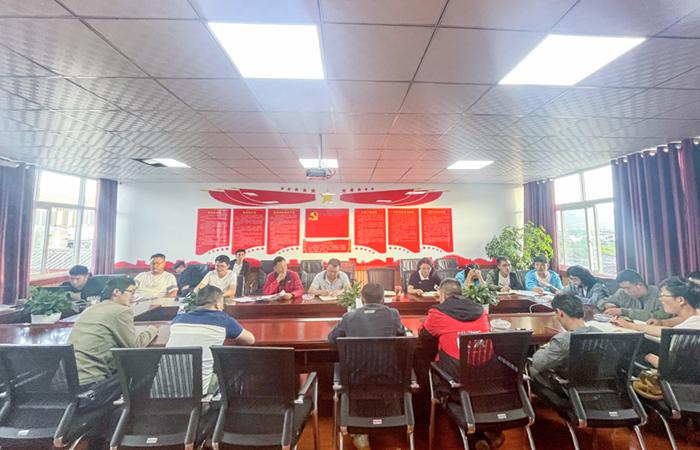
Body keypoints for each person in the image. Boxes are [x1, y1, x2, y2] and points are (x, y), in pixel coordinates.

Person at [328, 283, 407, 450]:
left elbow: (332, 339)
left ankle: (360, 434)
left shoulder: (349, 317)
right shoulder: (393, 314)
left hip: (355, 381)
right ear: (383, 299)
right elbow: (402, 334)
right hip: (389, 380)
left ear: (362, 299)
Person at [419, 278, 494, 450]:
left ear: (443, 295)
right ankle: (484, 432)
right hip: (483, 376)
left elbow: (424, 335)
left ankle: (426, 410)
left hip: (454, 378)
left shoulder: (438, 312)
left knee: (424, 360)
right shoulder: (480, 310)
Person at [68, 277, 159, 389]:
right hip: (93, 383)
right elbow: (135, 346)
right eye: (131, 292)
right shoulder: (121, 310)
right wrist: (152, 329)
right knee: (147, 367)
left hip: (72, 380)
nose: (133, 296)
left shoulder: (90, 309)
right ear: (116, 292)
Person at [167, 285, 255, 394]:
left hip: (162, 393)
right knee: (232, 369)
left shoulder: (178, 319)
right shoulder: (223, 320)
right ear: (217, 304)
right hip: (197, 396)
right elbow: (250, 340)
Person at [529, 292, 602, 407]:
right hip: (600, 392)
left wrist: (545, 347)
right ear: (582, 313)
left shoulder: (563, 340)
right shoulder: (600, 334)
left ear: (560, 313)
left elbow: (537, 362)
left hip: (569, 394)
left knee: (532, 369)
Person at [611, 276, 700, 367]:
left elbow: (670, 368)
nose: (660, 299)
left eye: (663, 295)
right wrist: (630, 325)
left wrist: (648, 357)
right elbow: (667, 331)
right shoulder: (693, 319)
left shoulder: (683, 332)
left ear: (680, 300)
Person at [597, 269, 669, 321]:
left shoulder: (660, 293)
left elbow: (662, 316)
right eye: (623, 288)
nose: (626, 291)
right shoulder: (621, 293)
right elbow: (601, 301)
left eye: (628, 288)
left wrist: (625, 312)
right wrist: (605, 304)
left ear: (639, 285)